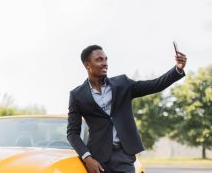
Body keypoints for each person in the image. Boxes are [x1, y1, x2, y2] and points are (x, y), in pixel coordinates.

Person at [67, 45, 187, 173]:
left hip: (123, 156)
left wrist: (178, 69)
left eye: (106, 59)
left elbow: (155, 85)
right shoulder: (77, 95)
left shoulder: (123, 84)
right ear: (87, 65)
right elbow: (72, 133)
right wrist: (87, 158)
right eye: (99, 60)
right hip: (97, 159)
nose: (104, 63)